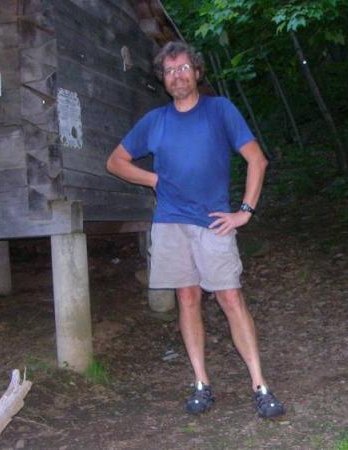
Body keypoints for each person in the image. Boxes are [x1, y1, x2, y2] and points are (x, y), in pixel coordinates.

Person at [106, 41, 284, 419]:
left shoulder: (219, 110)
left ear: (198, 73)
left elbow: (257, 159)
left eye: (184, 68)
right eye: (170, 71)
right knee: (186, 299)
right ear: (163, 79)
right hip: (171, 223)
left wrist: (245, 212)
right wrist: (153, 178)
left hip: (213, 222)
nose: (178, 76)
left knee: (230, 298)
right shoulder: (155, 121)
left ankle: (260, 385)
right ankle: (202, 383)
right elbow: (116, 161)